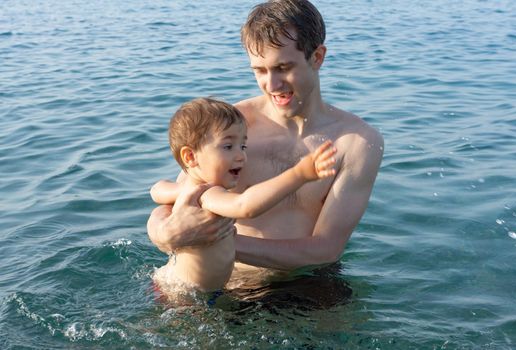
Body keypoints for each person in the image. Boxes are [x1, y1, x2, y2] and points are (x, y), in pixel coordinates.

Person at [147, 0, 383, 285]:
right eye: (259, 70)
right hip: (226, 283)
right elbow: (182, 198)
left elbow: (326, 249)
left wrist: (219, 242)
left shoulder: (357, 143)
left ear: (317, 57)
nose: (272, 84)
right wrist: (165, 233)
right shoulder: (230, 128)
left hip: (303, 283)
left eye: (283, 67)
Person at [151, 97, 337, 292]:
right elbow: (245, 206)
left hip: (186, 287)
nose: (241, 155)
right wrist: (299, 174)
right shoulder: (210, 194)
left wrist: (181, 191)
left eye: (243, 146)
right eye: (228, 147)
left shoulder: (190, 189)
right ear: (190, 156)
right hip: (181, 296)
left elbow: (157, 189)